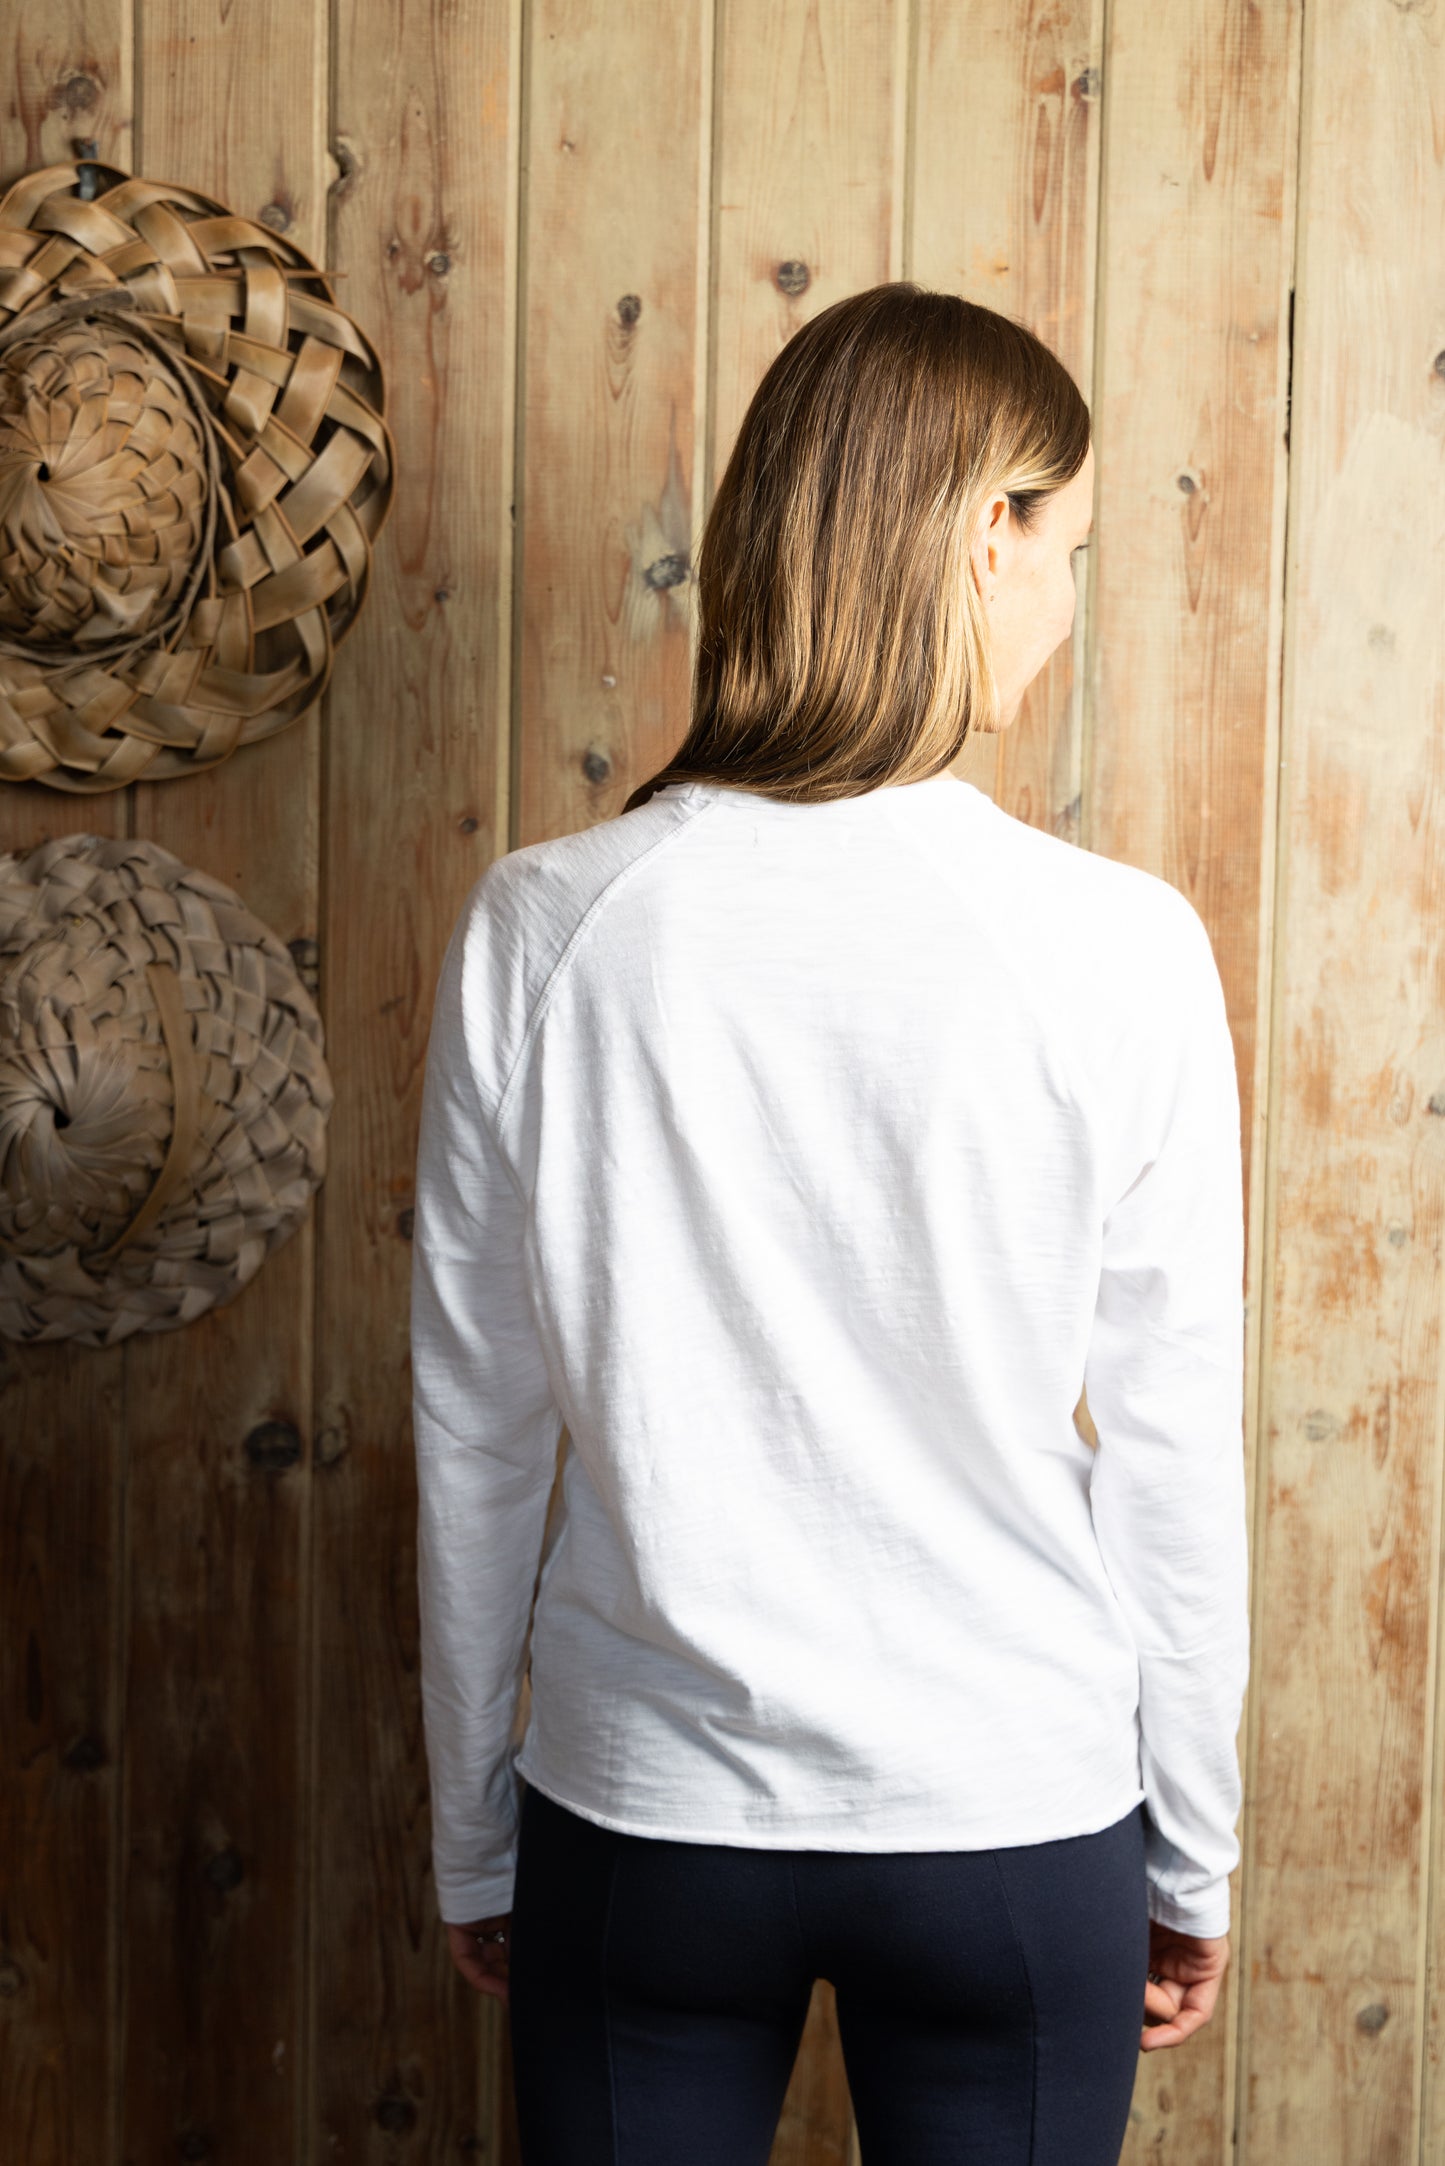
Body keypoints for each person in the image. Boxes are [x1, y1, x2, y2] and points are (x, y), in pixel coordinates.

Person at [409, 282, 1250, 2164]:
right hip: (1011, 1821)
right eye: (1067, 548)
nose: (1062, 604)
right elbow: (1171, 1452)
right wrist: (1190, 1845)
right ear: (983, 535)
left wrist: (474, 1824)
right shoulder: (1120, 948)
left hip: (642, 1824)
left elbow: (478, 1431)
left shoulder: (547, 925)